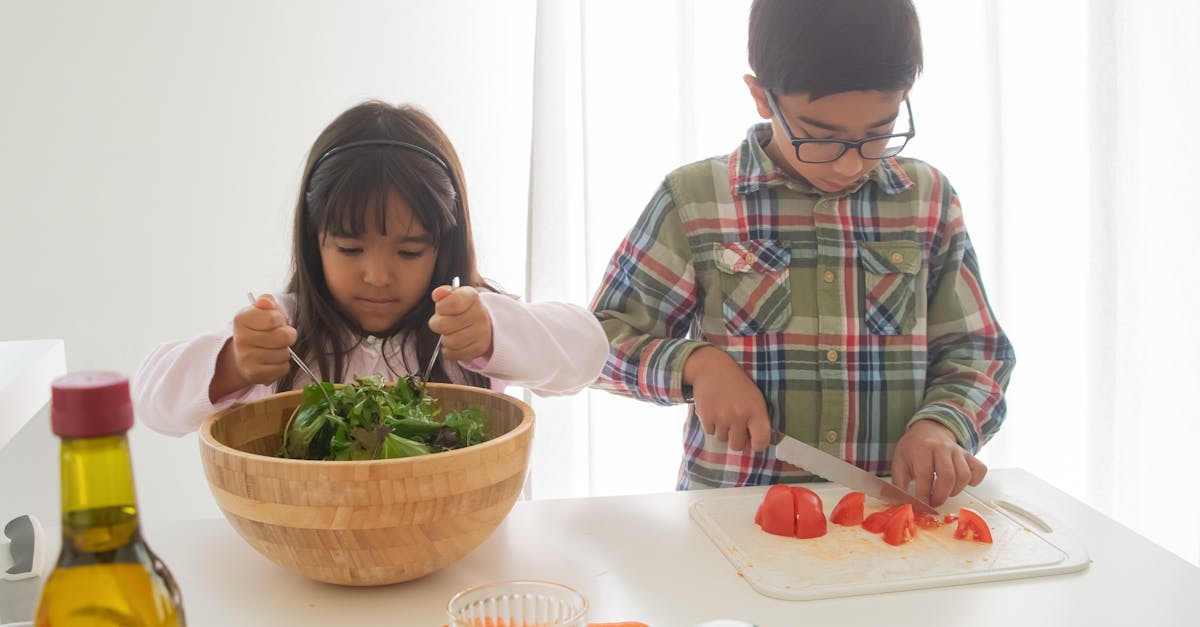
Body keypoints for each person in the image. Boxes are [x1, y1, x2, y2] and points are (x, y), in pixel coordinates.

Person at [589, 0, 1015, 507]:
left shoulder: (927, 200)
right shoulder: (695, 201)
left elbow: (977, 353)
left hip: (891, 521)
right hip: (735, 519)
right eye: (820, 137)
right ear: (761, 97)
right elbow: (598, 346)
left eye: (879, 133)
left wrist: (942, 426)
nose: (850, 164)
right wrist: (695, 364)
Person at [134, 101, 608, 436]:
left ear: (442, 248)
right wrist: (233, 364)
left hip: (462, 558)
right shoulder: (284, 327)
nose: (378, 276)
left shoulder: (467, 322)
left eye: (408, 253)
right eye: (349, 248)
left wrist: (494, 333)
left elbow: (588, 353)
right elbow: (150, 400)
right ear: (312, 240)